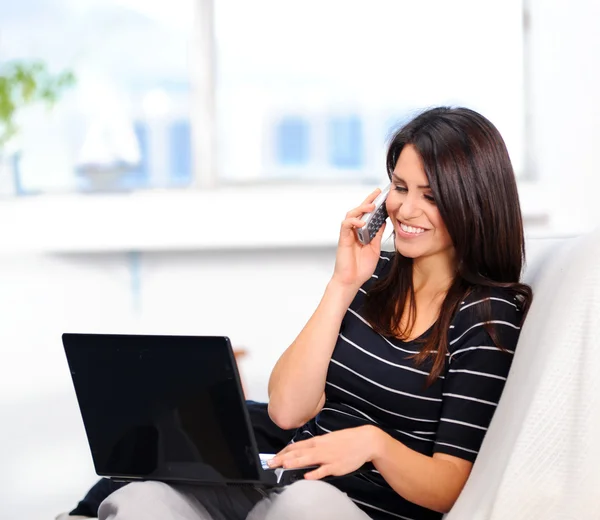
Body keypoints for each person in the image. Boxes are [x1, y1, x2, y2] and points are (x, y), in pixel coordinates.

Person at [74, 106, 533, 520]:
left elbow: (449, 486)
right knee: (143, 499)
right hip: (284, 487)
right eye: (399, 186)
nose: (405, 208)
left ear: (473, 201)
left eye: (431, 196)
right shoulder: (374, 275)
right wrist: (342, 283)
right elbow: (288, 411)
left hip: (350, 510)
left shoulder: (485, 317)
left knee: (305, 506)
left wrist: (374, 445)